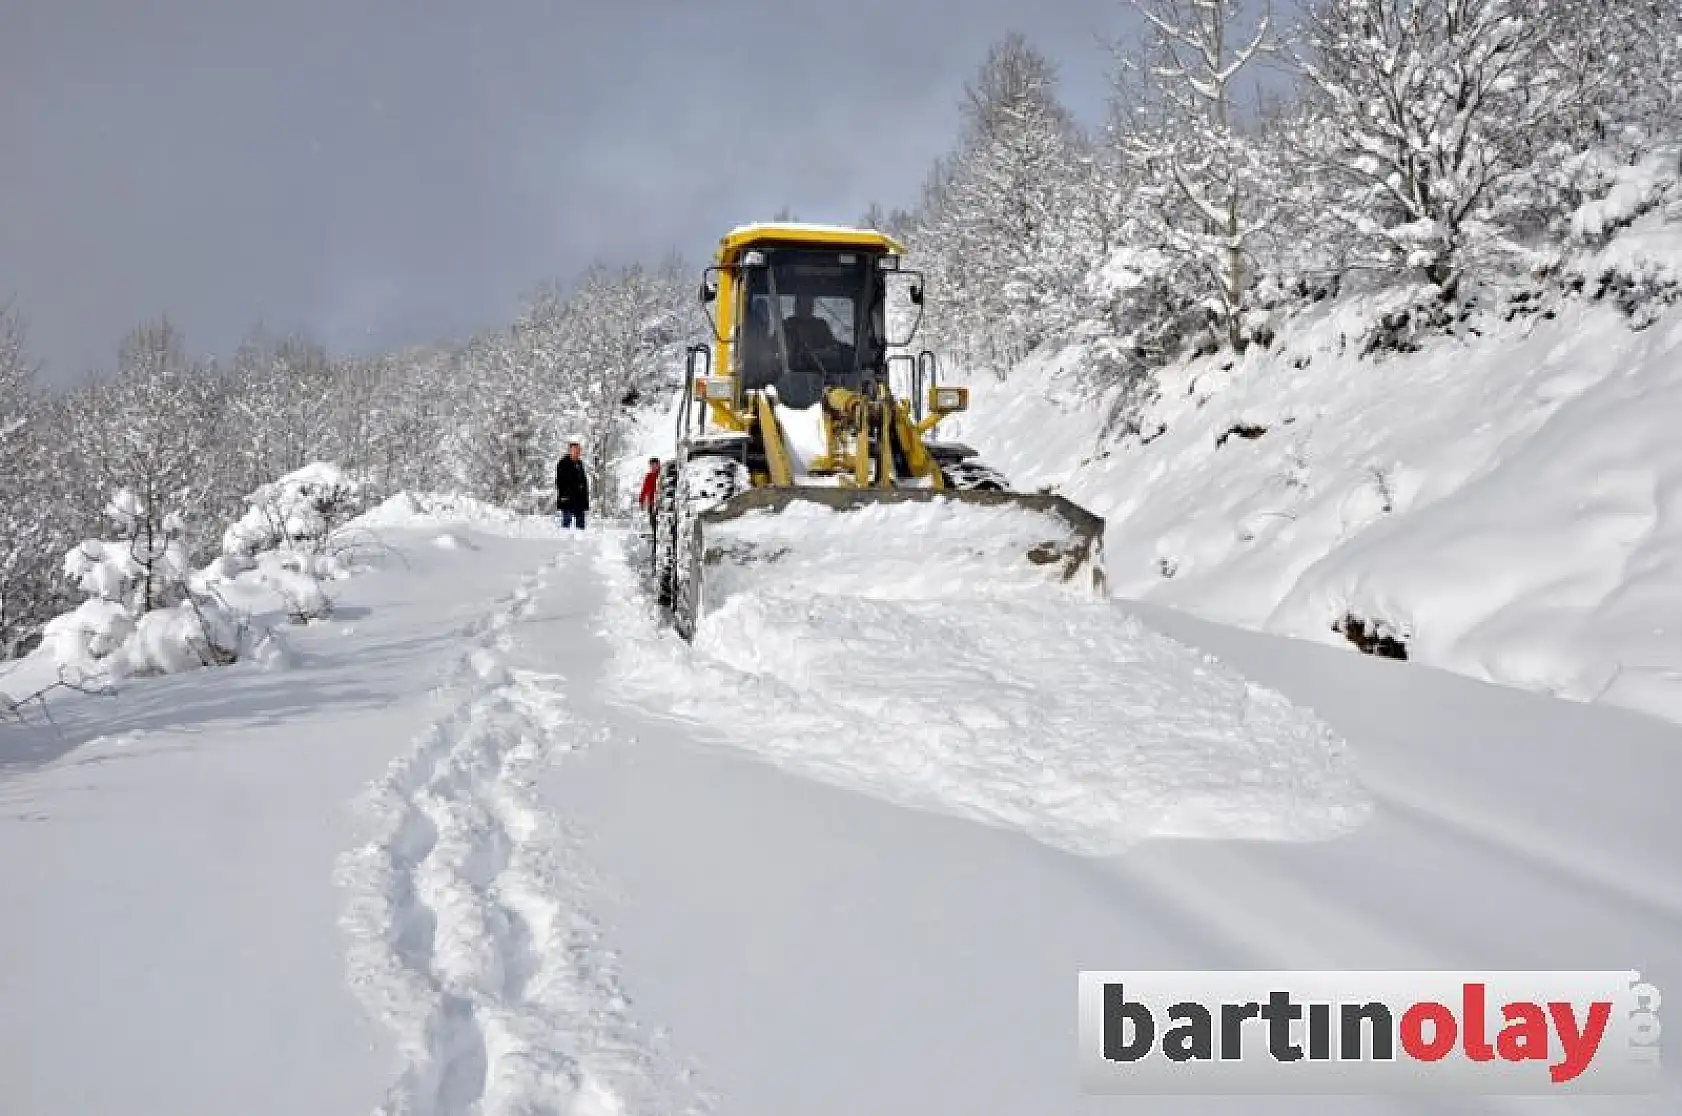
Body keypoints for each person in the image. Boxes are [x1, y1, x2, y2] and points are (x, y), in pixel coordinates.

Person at [555, 442, 589, 529]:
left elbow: (583, 481)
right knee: (567, 522)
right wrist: (563, 495)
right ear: (570, 451)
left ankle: (580, 540)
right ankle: (565, 540)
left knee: (580, 524)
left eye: (579, 450)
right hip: (567, 498)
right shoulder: (563, 463)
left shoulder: (580, 463)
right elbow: (560, 481)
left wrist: (585, 499)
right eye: (575, 450)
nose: (577, 452)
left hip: (579, 499)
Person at [637, 457, 661, 534]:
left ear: (658, 465)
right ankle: (654, 535)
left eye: (654, 465)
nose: (653, 467)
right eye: (651, 465)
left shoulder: (661, 475)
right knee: (653, 521)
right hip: (651, 503)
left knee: (659, 521)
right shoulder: (649, 476)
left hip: (660, 502)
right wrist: (641, 501)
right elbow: (644, 489)